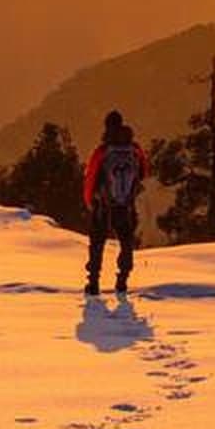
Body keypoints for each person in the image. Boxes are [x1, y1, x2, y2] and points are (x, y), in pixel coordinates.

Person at [83, 109, 145, 296]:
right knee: (126, 240)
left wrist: (89, 200)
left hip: (103, 204)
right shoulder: (135, 150)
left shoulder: (102, 151)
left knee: (97, 242)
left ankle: (94, 283)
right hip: (125, 204)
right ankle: (122, 280)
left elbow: (90, 178)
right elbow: (143, 172)